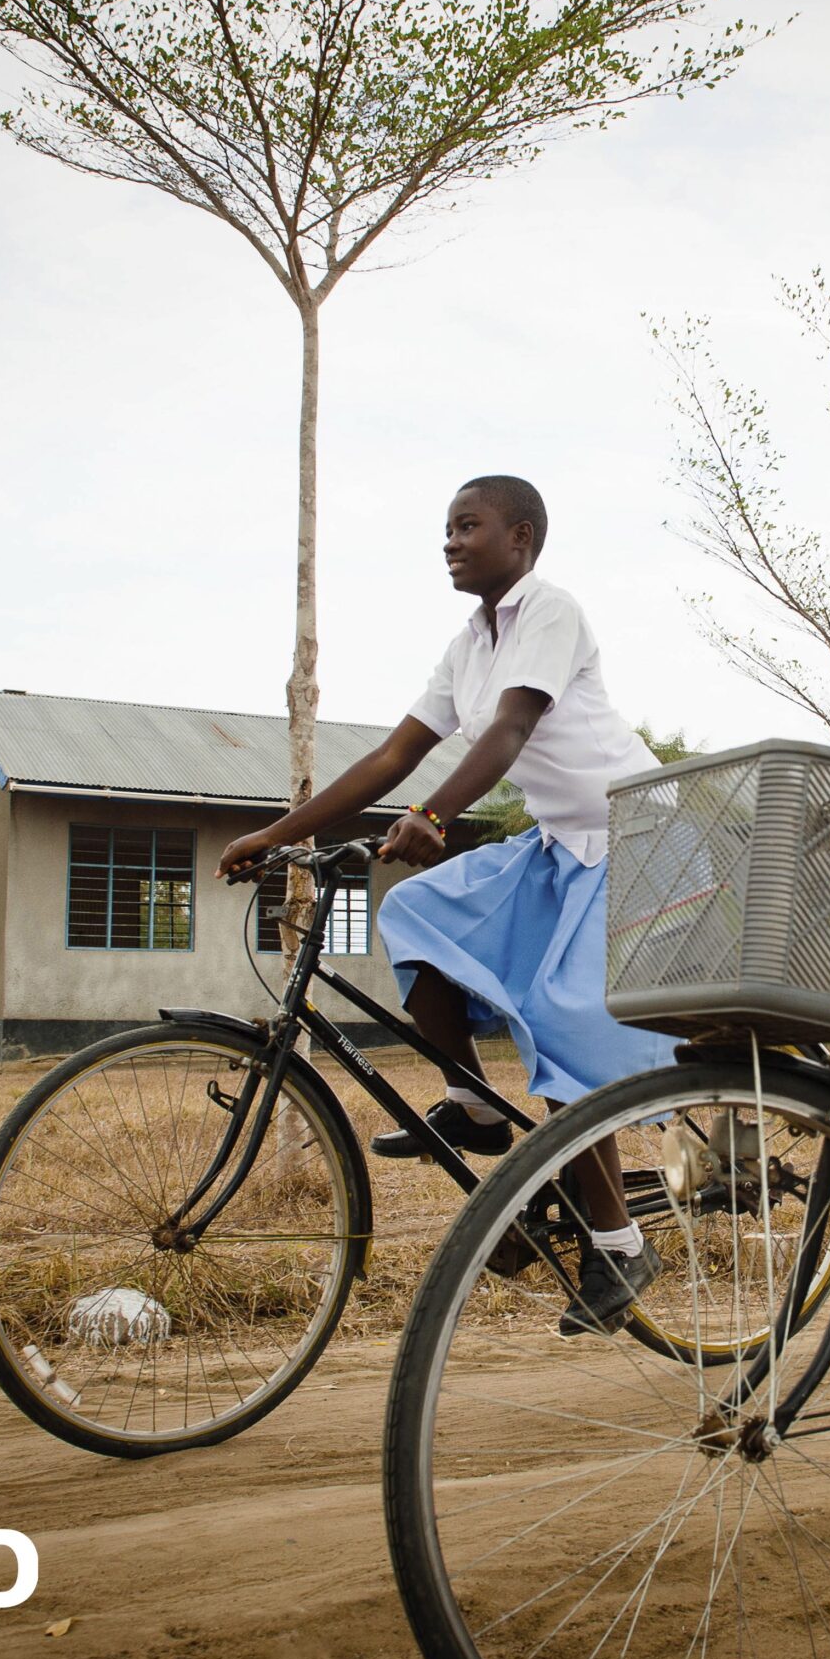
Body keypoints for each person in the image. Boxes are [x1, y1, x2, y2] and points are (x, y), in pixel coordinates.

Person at [220, 475, 674, 1334]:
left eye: (469, 525)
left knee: (562, 1015)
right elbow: (393, 754)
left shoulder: (551, 610)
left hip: (632, 837)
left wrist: (436, 815)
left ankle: (618, 1243)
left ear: (523, 537)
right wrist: (278, 836)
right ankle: (473, 1108)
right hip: (558, 844)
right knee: (415, 914)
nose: (451, 541)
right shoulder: (468, 643)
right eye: (446, 529)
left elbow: (508, 731)